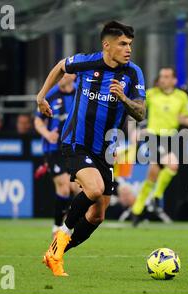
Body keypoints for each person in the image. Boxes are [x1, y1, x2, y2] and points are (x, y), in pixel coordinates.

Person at [37, 21, 146, 276]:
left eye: (130, 44)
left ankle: (56, 253)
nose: (128, 49)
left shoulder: (133, 74)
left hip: (106, 150)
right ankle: (60, 239)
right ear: (107, 45)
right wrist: (41, 96)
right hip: (76, 142)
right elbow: (61, 67)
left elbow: (140, 113)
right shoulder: (88, 62)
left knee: (97, 215)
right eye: (122, 44)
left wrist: (123, 98)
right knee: (94, 190)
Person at [130, 66, 188, 227]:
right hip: (153, 136)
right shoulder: (151, 94)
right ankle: (157, 197)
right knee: (172, 165)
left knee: (153, 174)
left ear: (174, 80)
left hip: (171, 137)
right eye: (161, 76)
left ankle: (137, 210)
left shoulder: (182, 97)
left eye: (166, 76)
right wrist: (137, 130)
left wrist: (182, 119)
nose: (163, 79)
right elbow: (137, 111)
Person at [34, 73, 79, 237]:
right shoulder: (51, 94)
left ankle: (69, 222)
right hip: (54, 149)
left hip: (75, 148)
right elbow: (38, 121)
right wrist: (47, 134)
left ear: (74, 76)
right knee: (64, 186)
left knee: (78, 188)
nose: (61, 77)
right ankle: (56, 227)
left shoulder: (81, 92)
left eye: (65, 74)